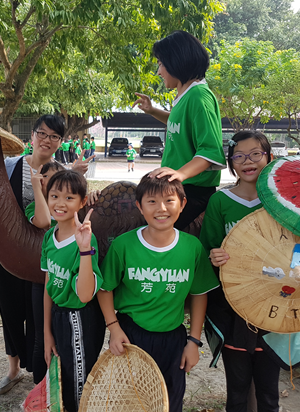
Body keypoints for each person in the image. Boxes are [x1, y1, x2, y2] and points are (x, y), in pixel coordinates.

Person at [97, 174, 219, 412]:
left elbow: (199, 294)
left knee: (169, 402)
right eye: (151, 201)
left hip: (173, 339)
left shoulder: (192, 247)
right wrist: (114, 328)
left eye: (169, 200)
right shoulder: (123, 245)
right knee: (130, 402)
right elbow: (105, 289)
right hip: (131, 335)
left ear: (182, 204)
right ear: (139, 207)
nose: (161, 209)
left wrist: (193, 341)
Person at [0, 115, 92, 395]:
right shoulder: (10, 166)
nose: (47, 140)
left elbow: (72, 201)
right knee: (9, 312)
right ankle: (13, 370)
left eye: (54, 136)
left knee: (37, 315)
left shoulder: (59, 172)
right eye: (42, 134)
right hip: (8, 253)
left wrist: (79, 176)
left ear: (60, 142)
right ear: (32, 136)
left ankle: (42, 374)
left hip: (45, 255)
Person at [199, 131, 282, 412]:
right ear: (231, 163)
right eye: (239, 156)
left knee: (269, 393)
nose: (248, 161)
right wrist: (214, 256)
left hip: (275, 307)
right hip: (233, 309)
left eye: (256, 154)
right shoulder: (220, 202)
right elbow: (207, 249)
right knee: (236, 392)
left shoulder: (282, 204)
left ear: (269, 157)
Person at [133, 30, 226, 231]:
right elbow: (179, 125)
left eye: (160, 64)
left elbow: (210, 151)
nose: (159, 72)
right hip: (178, 185)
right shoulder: (184, 96)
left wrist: (180, 174)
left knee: (152, 231)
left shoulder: (199, 97)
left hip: (193, 190)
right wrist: (152, 111)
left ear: (177, 61)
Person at [42, 170, 105, 412]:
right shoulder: (50, 236)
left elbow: (86, 295)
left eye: (69, 198)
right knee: (65, 375)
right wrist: (47, 331)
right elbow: (48, 285)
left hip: (79, 317)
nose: (60, 203)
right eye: (54, 196)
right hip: (59, 316)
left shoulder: (87, 241)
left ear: (82, 201)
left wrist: (84, 249)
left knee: (80, 381)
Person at [28, 160, 65, 229]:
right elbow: (43, 223)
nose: (51, 180)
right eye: (46, 176)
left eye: (56, 176)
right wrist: (37, 189)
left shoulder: (69, 204)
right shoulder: (33, 207)